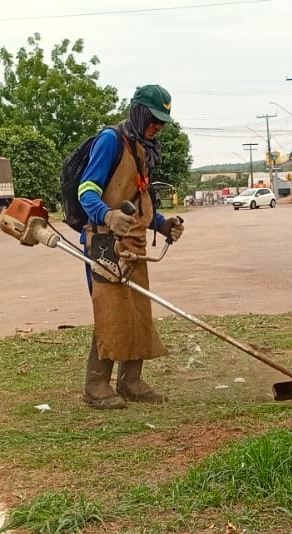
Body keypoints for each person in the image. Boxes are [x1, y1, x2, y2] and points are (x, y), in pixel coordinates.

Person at [77, 84, 186, 410]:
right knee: (110, 311)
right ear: (138, 112)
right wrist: (107, 215)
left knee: (137, 309)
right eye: (153, 118)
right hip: (104, 243)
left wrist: (162, 223)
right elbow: (86, 191)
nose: (158, 126)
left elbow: (140, 200)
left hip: (134, 243)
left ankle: (131, 381)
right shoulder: (111, 140)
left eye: (162, 121)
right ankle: (96, 385)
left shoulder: (143, 147)